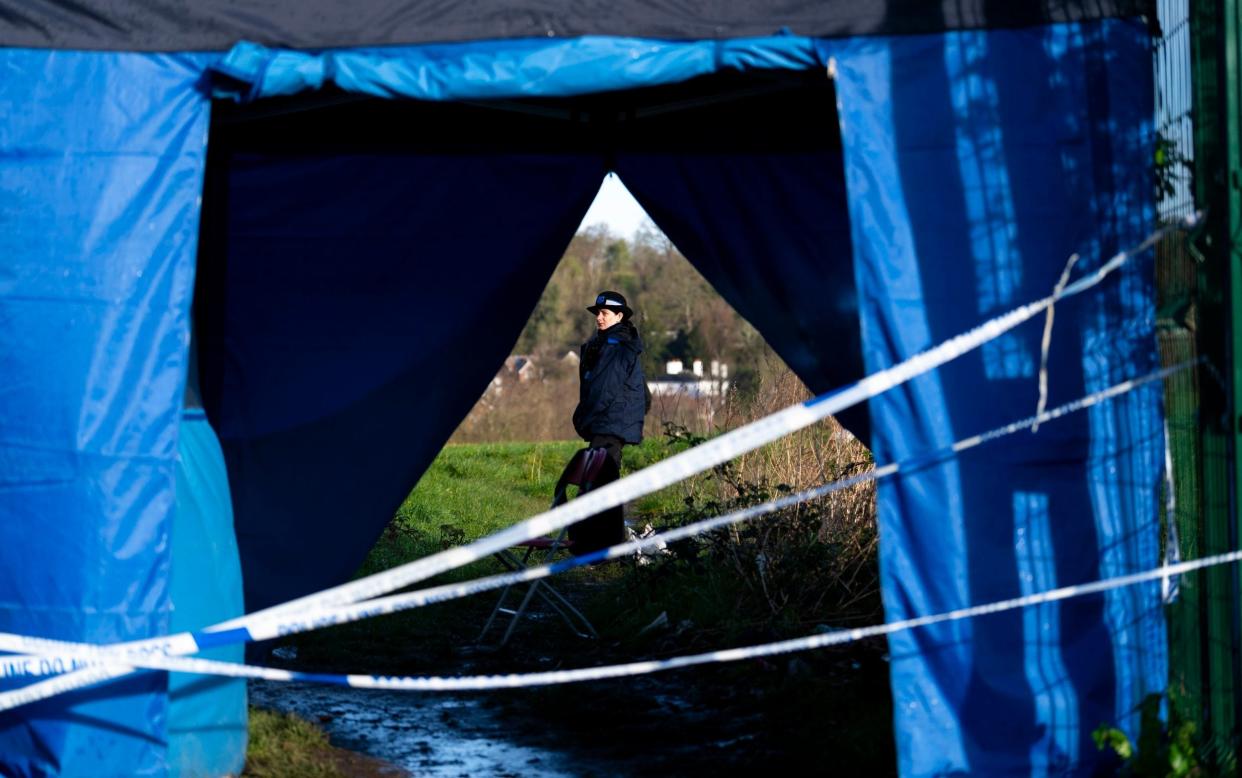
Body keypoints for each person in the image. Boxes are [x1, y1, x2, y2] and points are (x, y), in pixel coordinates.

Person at [571, 290, 649, 470]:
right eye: (597, 313)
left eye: (605, 313)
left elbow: (604, 389)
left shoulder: (616, 346)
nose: (599, 317)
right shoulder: (609, 342)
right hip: (609, 423)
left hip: (610, 423)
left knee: (597, 482)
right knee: (599, 481)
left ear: (619, 316)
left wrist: (583, 417)